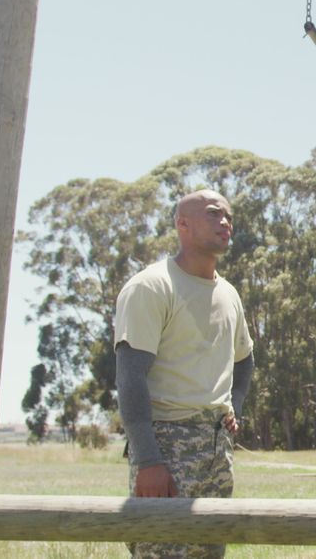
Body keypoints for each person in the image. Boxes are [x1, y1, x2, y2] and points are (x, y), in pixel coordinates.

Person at [114, 189, 255, 558]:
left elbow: (245, 360)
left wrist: (233, 406)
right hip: (166, 447)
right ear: (183, 225)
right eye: (213, 214)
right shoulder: (152, 286)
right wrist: (148, 460)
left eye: (228, 216)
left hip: (216, 452)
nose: (225, 222)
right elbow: (130, 379)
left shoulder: (229, 294)